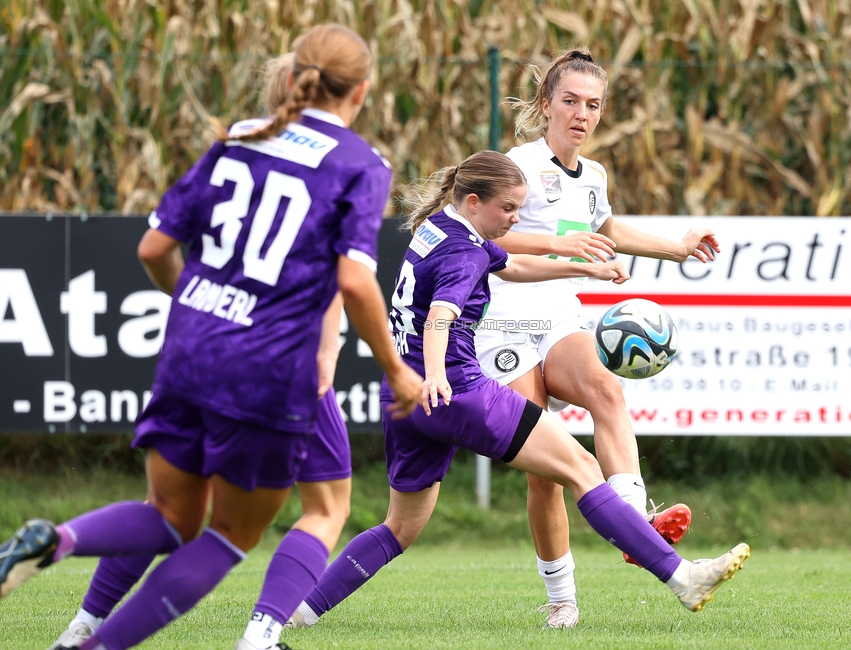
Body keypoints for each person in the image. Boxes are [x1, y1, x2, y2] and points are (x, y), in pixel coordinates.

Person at [0, 23, 422, 650]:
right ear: (361, 91)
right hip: (271, 373)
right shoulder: (360, 164)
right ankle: (101, 645)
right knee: (228, 536)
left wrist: (203, 307)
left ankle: (58, 540)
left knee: (168, 518)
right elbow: (357, 285)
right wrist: (396, 370)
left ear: (295, 76)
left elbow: (154, 248)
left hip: (190, 352)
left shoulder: (241, 137)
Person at [284, 150, 749, 633]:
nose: (513, 218)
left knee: (399, 528)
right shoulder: (463, 252)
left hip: (404, 399)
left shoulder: (441, 228)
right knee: (583, 467)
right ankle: (682, 577)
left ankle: (301, 611)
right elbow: (442, 315)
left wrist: (583, 269)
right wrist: (440, 374)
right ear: (472, 200)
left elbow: (510, 267)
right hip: (457, 392)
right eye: (508, 208)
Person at [469, 48, 725, 628]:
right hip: (504, 322)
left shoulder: (595, 176)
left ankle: (635, 526)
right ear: (545, 106)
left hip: (559, 316)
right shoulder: (521, 167)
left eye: (593, 105)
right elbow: (497, 252)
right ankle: (562, 598)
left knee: (608, 392)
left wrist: (676, 247)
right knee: (545, 470)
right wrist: (571, 253)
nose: (581, 114)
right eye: (570, 102)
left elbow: (604, 229)